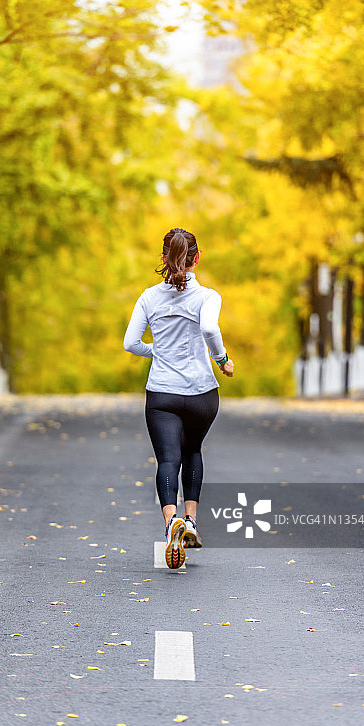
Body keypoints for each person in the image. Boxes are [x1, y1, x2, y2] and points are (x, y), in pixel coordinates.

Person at [123, 227, 234, 568]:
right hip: (202, 393)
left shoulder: (148, 297)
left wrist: (156, 351)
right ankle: (192, 521)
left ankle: (172, 522)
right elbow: (210, 329)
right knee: (193, 451)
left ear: (163, 258)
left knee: (168, 460)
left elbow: (130, 343)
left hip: (162, 394)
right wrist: (222, 359)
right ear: (197, 258)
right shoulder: (208, 297)